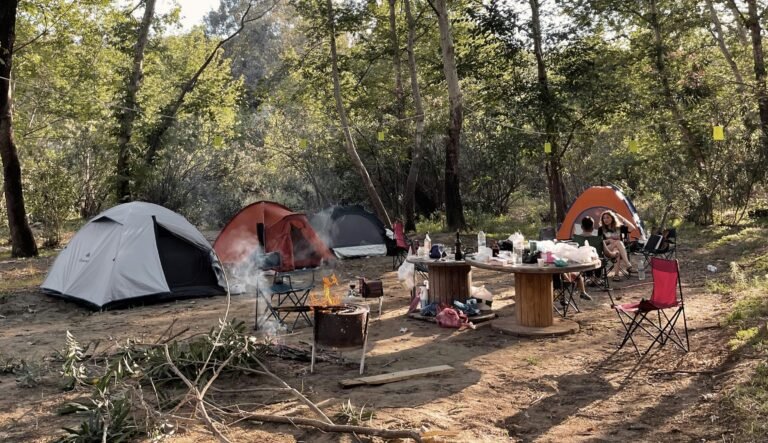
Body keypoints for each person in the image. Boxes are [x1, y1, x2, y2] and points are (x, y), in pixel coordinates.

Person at [598, 210, 635, 281]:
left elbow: (632, 228)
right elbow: (599, 242)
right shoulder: (601, 229)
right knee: (618, 242)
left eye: (608, 217)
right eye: (604, 218)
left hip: (618, 250)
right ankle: (628, 264)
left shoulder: (618, 227)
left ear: (612, 218)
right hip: (607, 249)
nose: (605, 219)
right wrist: (608, 240)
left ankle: (616, 275)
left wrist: (621, 217)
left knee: (617, 251)